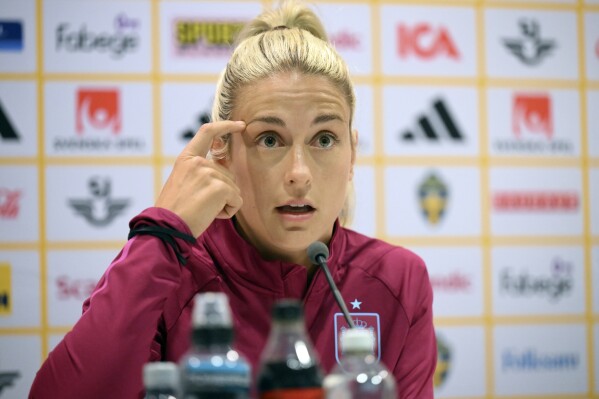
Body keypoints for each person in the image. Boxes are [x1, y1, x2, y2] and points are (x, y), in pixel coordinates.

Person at [29, 1, 436, 398]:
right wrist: (160, 233)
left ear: (352, 154)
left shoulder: (398, 279)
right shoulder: (170, 273)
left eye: (324, 139)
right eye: (270, 139)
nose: (299, 172)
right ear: (222, 150)